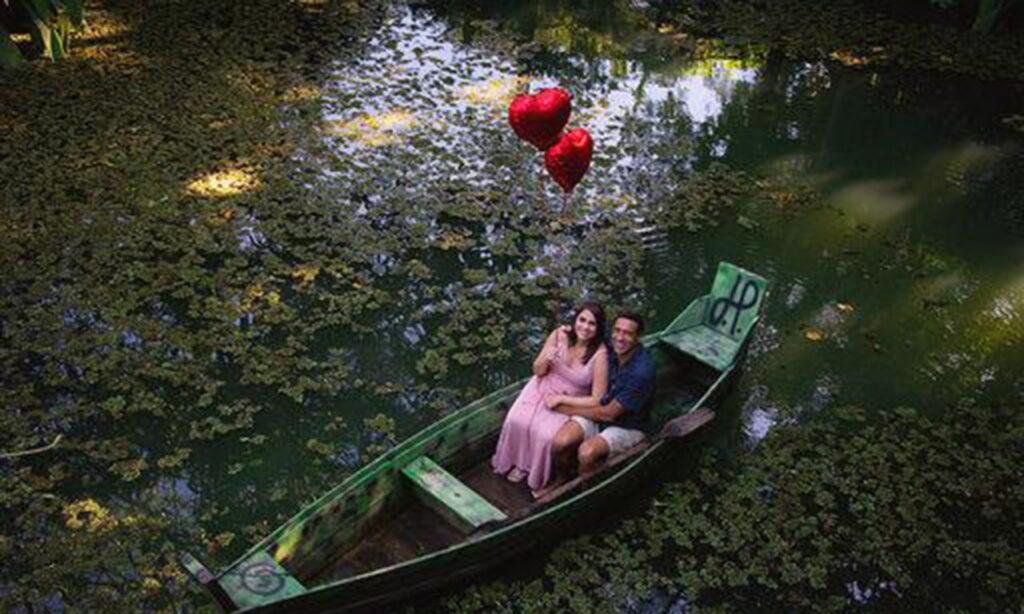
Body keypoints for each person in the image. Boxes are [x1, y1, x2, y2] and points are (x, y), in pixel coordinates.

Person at [492, 303, 609, 495]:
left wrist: (562, 400)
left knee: (545, 435)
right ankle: (517, 462)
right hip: (540, 386)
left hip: (569, 399)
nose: (585, 327)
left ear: (598, 328)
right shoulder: (559, 335)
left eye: (592, 324)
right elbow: (538, 370)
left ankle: (531, 470)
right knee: (516, 420)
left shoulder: (599, 354)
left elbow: (597, 399)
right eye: (582, 320)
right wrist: (545, 358)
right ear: (575, 319)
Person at [545, 312, 655, 490]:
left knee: (587, 452)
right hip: (598, 411)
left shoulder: (641, 372)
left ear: (638, 337)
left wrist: (567, 409)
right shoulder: (610, 345)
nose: (620, 338)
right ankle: (562, 480)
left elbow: (610, 415)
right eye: (617, 330)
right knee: (560, 442)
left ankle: (586, 490)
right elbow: (586, 331)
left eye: (627, 333)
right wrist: (565, 331)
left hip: (627, 424)